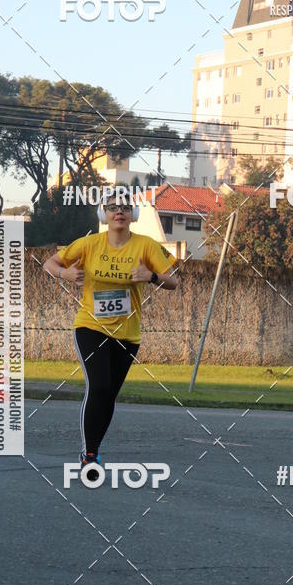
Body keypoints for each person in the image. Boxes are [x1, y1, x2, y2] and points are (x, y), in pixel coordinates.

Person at [43, 190, 178, 469]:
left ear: (133, 215)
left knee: (109, 394)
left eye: (125, 207)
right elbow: (50, 263)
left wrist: (150, 276)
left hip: (128, 334)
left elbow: (174, 281)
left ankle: (94, 447)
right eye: (113, 207)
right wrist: (65, 273)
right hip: (91, 327)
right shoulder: (89, 244)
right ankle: (89, 454)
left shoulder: (146, 246)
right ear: (103, 213)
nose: (119, 212)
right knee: (99, 385)